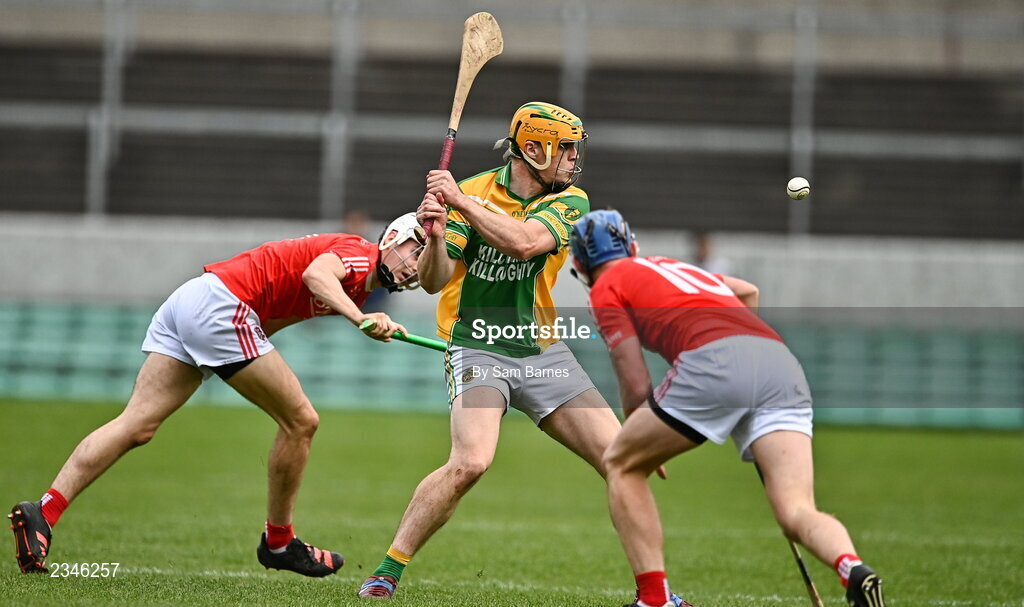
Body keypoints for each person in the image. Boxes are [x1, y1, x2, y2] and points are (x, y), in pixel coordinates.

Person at [358, 102, 684, 606]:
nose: (574, 158)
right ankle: (387, 570)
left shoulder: (571, 200)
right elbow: (434, 281)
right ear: (533, 149)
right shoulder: (471, 191)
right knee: (470, 462)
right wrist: (439, 236)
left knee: (624, 461)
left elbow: (527, 244)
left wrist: (460, 205)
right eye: (567, 148)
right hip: (477, 346)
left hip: (543, 351)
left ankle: (655, 598)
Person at [9, 214, 426, 577]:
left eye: (420, 262)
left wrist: (228, 357)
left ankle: (42, 513)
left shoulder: (354, 289)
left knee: (136, 426)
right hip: (222, 309)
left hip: (196, 301)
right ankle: (279, 542)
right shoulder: (359, 254)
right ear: (390, 238)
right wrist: (360, 318)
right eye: (412, 249)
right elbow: (314, 275)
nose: (413, 265)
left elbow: (280, 313)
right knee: (301, 421)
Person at [568, 210, 887, 607]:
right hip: (778, 362)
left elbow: (634, 381)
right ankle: (852, 568)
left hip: (715, 363)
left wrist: (640, 434)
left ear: (580, 264)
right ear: (631, 245)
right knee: (796, 508)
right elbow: (748, 292)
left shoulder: (606, 288)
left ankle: (654, 600)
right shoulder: (667, 266)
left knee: (620, 463)